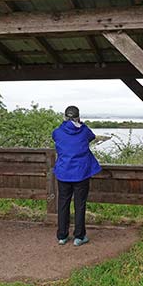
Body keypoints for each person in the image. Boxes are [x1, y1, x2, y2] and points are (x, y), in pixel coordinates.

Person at [52, 105, 101, 246]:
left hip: (63, 173)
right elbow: (92, 137)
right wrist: (81, 124)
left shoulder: (57, 132)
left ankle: (62, 236)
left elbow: (56, 138)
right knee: (80, 205)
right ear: (78, 117)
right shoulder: (84, 131)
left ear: (65, 117)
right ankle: (79, 237)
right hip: (81, 173)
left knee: (63, 204)